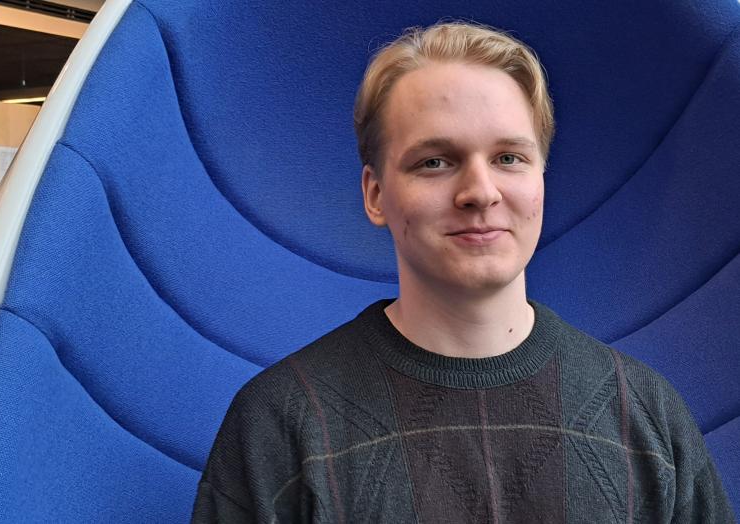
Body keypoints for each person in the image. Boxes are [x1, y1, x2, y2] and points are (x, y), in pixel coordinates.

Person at [191, 22, 736, 523]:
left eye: (508, 158)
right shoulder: (281, 423)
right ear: (376, 194)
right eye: (435, 161)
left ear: (541, 181)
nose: (480, 192)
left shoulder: (645, 413)